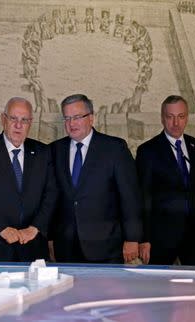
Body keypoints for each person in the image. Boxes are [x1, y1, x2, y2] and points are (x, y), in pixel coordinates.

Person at [50, 94, 142, 263]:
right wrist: (50, 239)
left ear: (91, 118)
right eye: (67, 118)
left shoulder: (115, 148)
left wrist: (132, 238)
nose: (71, 123)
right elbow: (51, 198)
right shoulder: (55, 150)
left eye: (77, 117)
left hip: (106, 245)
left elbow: (130, 196)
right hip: (66, 245)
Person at [0, 97, 57, 261]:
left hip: (32, 245)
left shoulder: (43, 153)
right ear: (3, 119)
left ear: (30, 123)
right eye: (13, 118)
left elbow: (50, 194)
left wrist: (34, 228)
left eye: (24, 120)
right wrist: (1, 229)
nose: (18, 125)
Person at [136, 95, 195, 265]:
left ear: (187, 117)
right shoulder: (147, 151)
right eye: (170, 117)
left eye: (181, 116)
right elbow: (144, 197)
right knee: (158, 289)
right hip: (161, 237)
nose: (176, 123)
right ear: (162, 118)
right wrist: (144, 239)